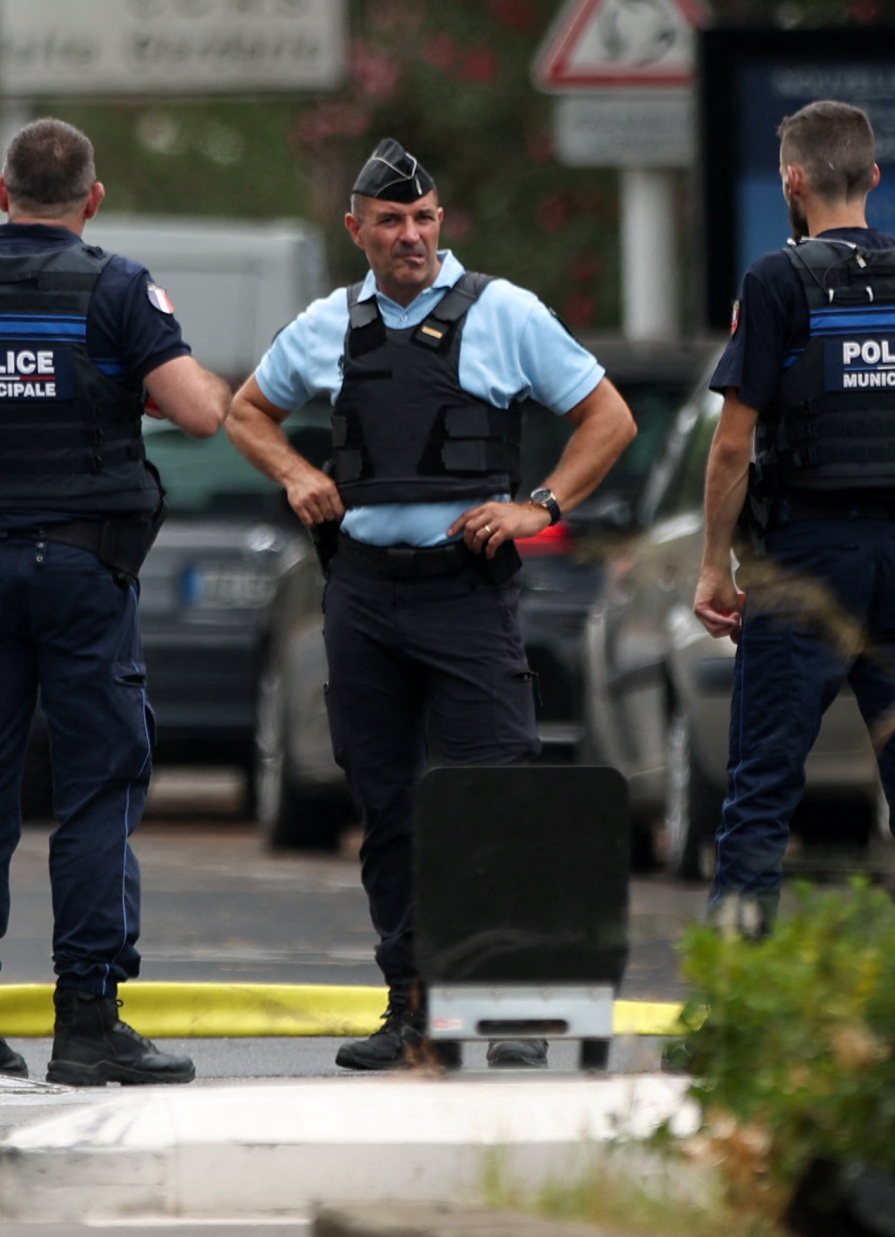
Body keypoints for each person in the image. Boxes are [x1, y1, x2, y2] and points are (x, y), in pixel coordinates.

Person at [223, 138, 636, 1071]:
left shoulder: (505, 313)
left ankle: (509, 1010)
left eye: (424, 219)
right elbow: (245, 411)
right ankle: (409, 1005)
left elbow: (608, 418)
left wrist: (539, 505)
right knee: (388, 805)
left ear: (441, 221)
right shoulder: (328, 322)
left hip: (465, 590)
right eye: (391, 222)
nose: (410, 236)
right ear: (357, 230)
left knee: (497, 795)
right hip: (365, 594)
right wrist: (296, 473)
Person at [0, 118, 231, 1087]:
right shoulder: (116, 285)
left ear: (0, 187)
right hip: (82, 570)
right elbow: (199, 410)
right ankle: (89, 1018)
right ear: (91, 199)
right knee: (97, 786)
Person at [690, 99, 895, 937]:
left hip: (803, 561)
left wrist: (712, 569)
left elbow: (732, 449)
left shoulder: (775, 283)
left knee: (763, 787)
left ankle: (737, 993)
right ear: (873, 176)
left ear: (792, 181)